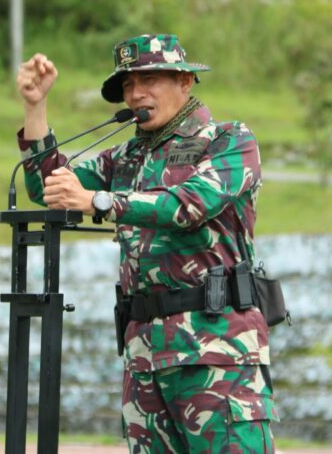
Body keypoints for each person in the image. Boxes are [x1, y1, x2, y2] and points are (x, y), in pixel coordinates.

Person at [16, 34, 278, 453]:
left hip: (217, 353)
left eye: (149, 79)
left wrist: (100, 201)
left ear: (185, 81)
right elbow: (48, 188)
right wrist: (36, 107)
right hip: (145, 360)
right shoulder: (125, 156)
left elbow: (190, 204)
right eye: (127, 86)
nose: (136, 93)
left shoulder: (228, 140)